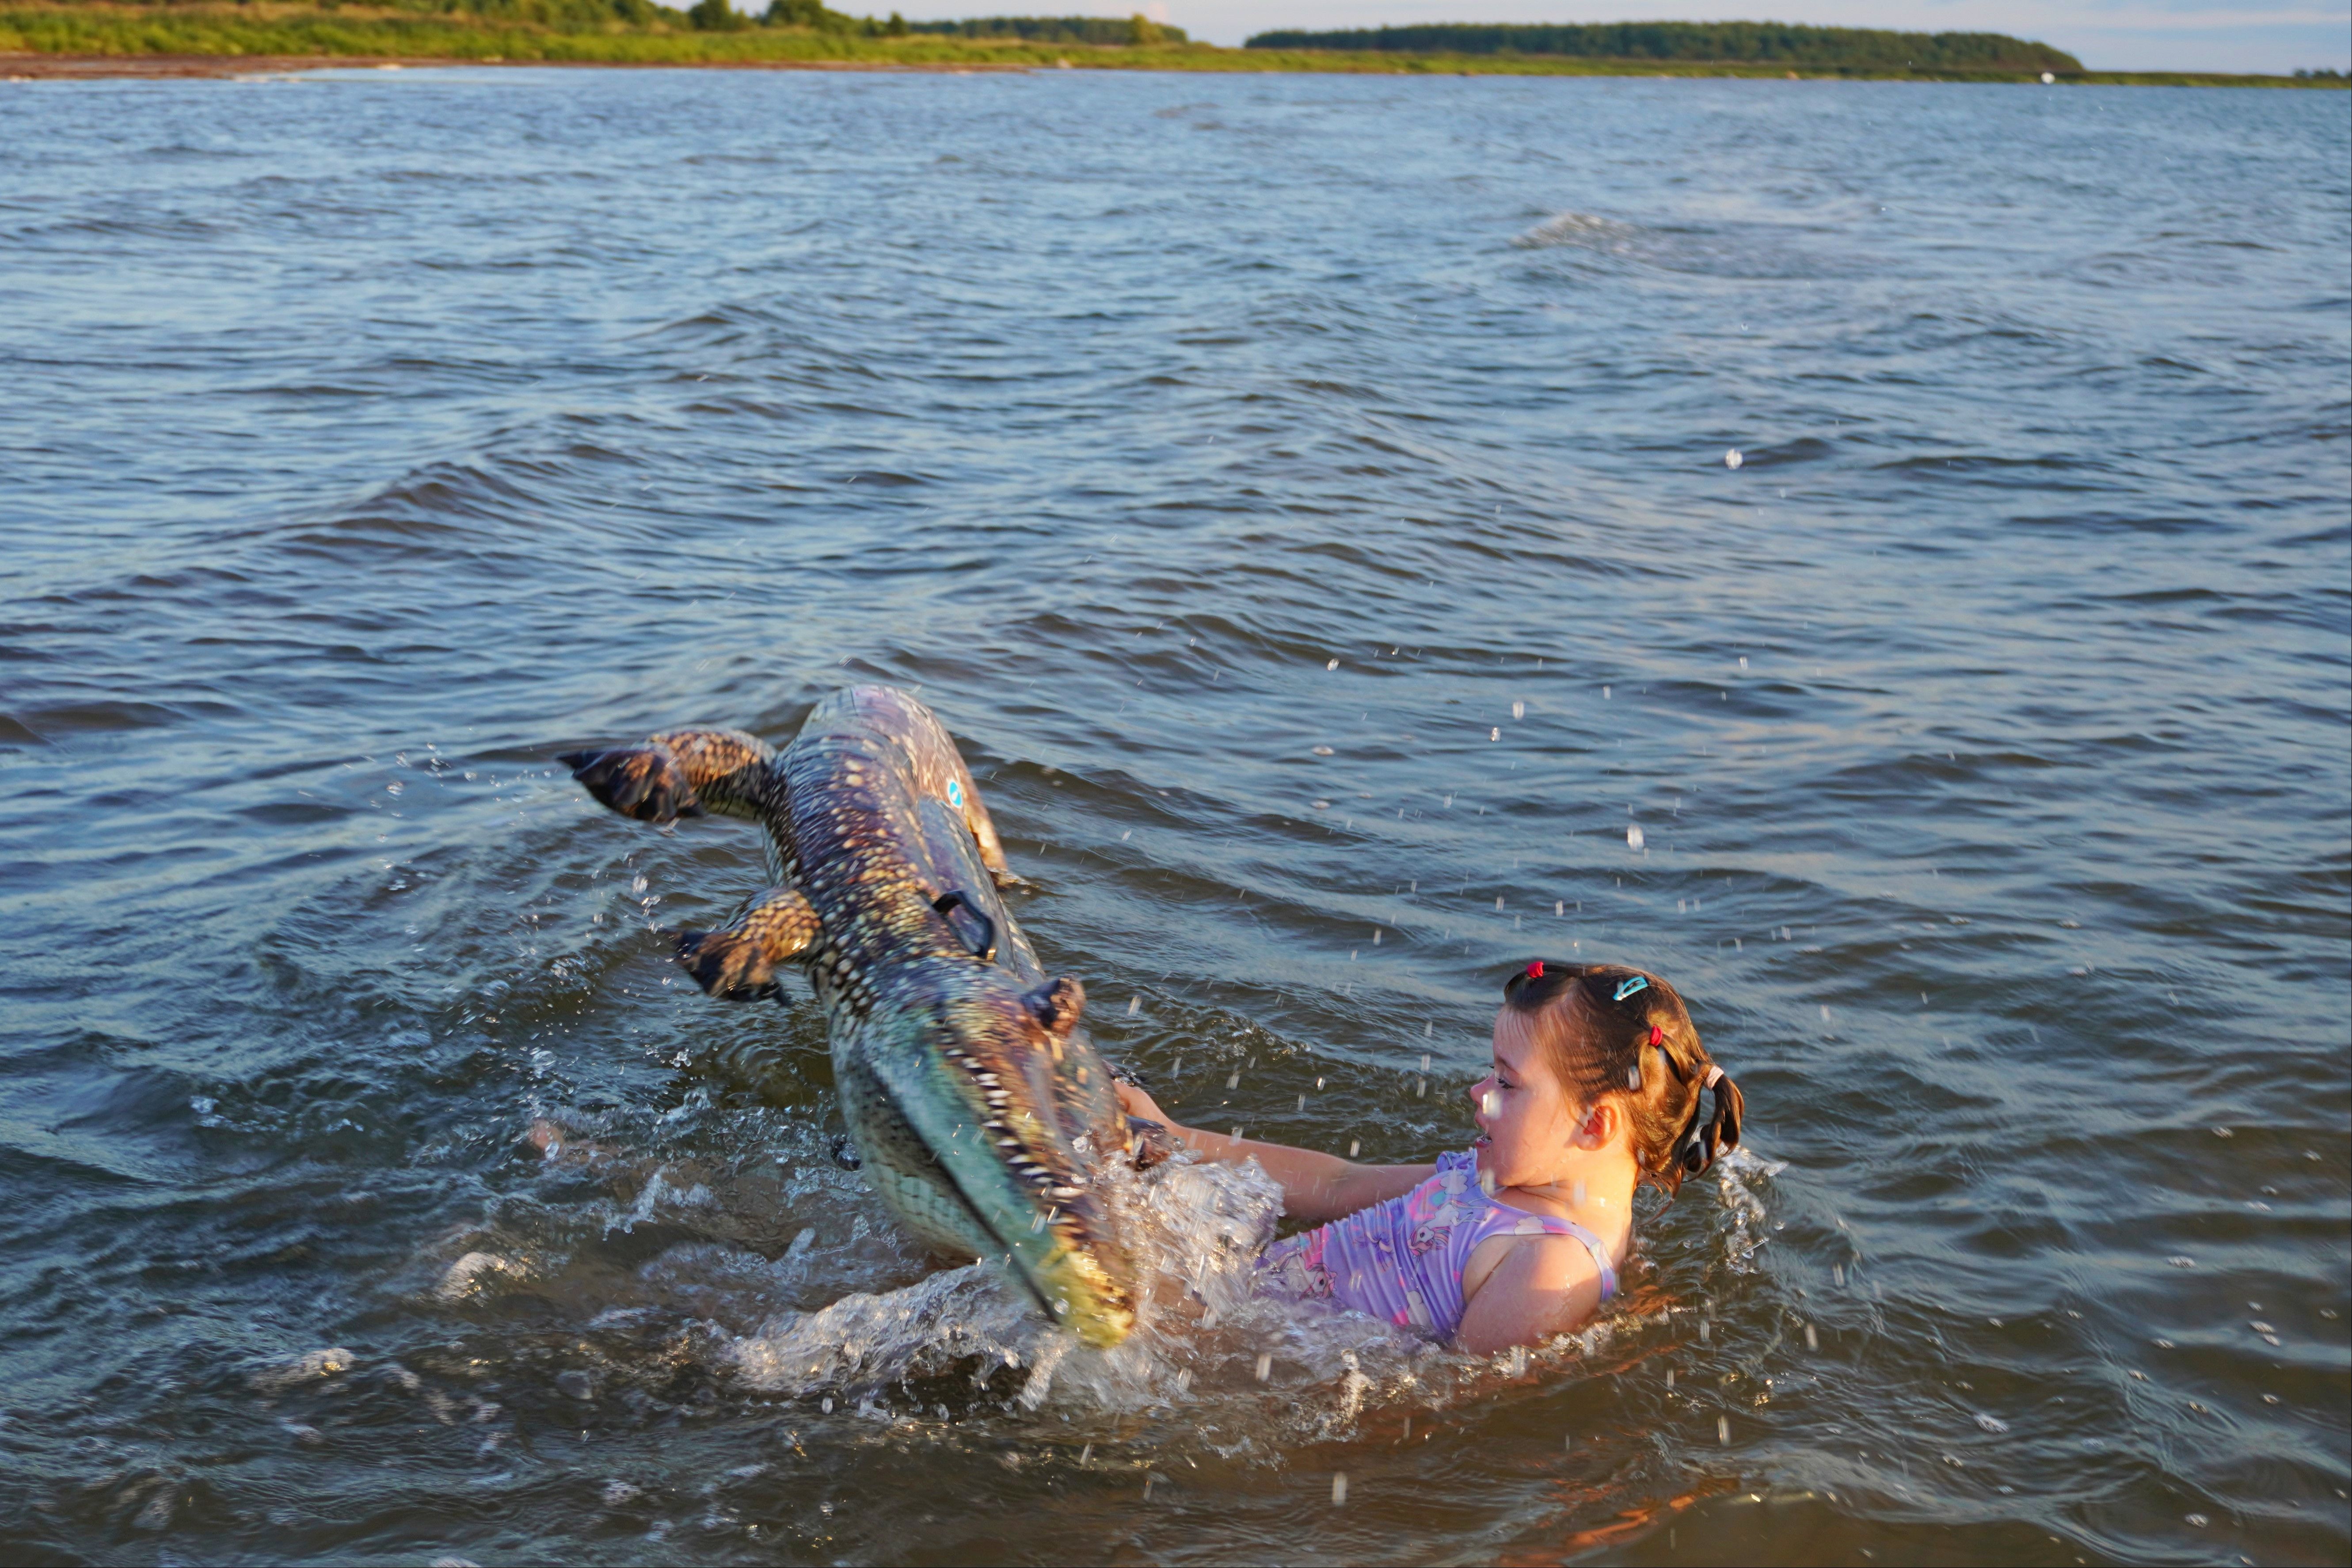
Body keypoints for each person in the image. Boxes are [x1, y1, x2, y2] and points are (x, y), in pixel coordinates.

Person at [1113, 961, 1745, 1354]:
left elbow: (1443, 1402)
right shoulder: (1490, 1179)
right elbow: (1338, 1182)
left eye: (1506, 1083)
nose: (1477, 1093)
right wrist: (1175, 1139)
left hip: (1220, 1352)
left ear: (1595, 1123)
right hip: (1233, 1298)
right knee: (1134, 1183)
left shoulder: (1547, 1269)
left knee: (1112, 1232)